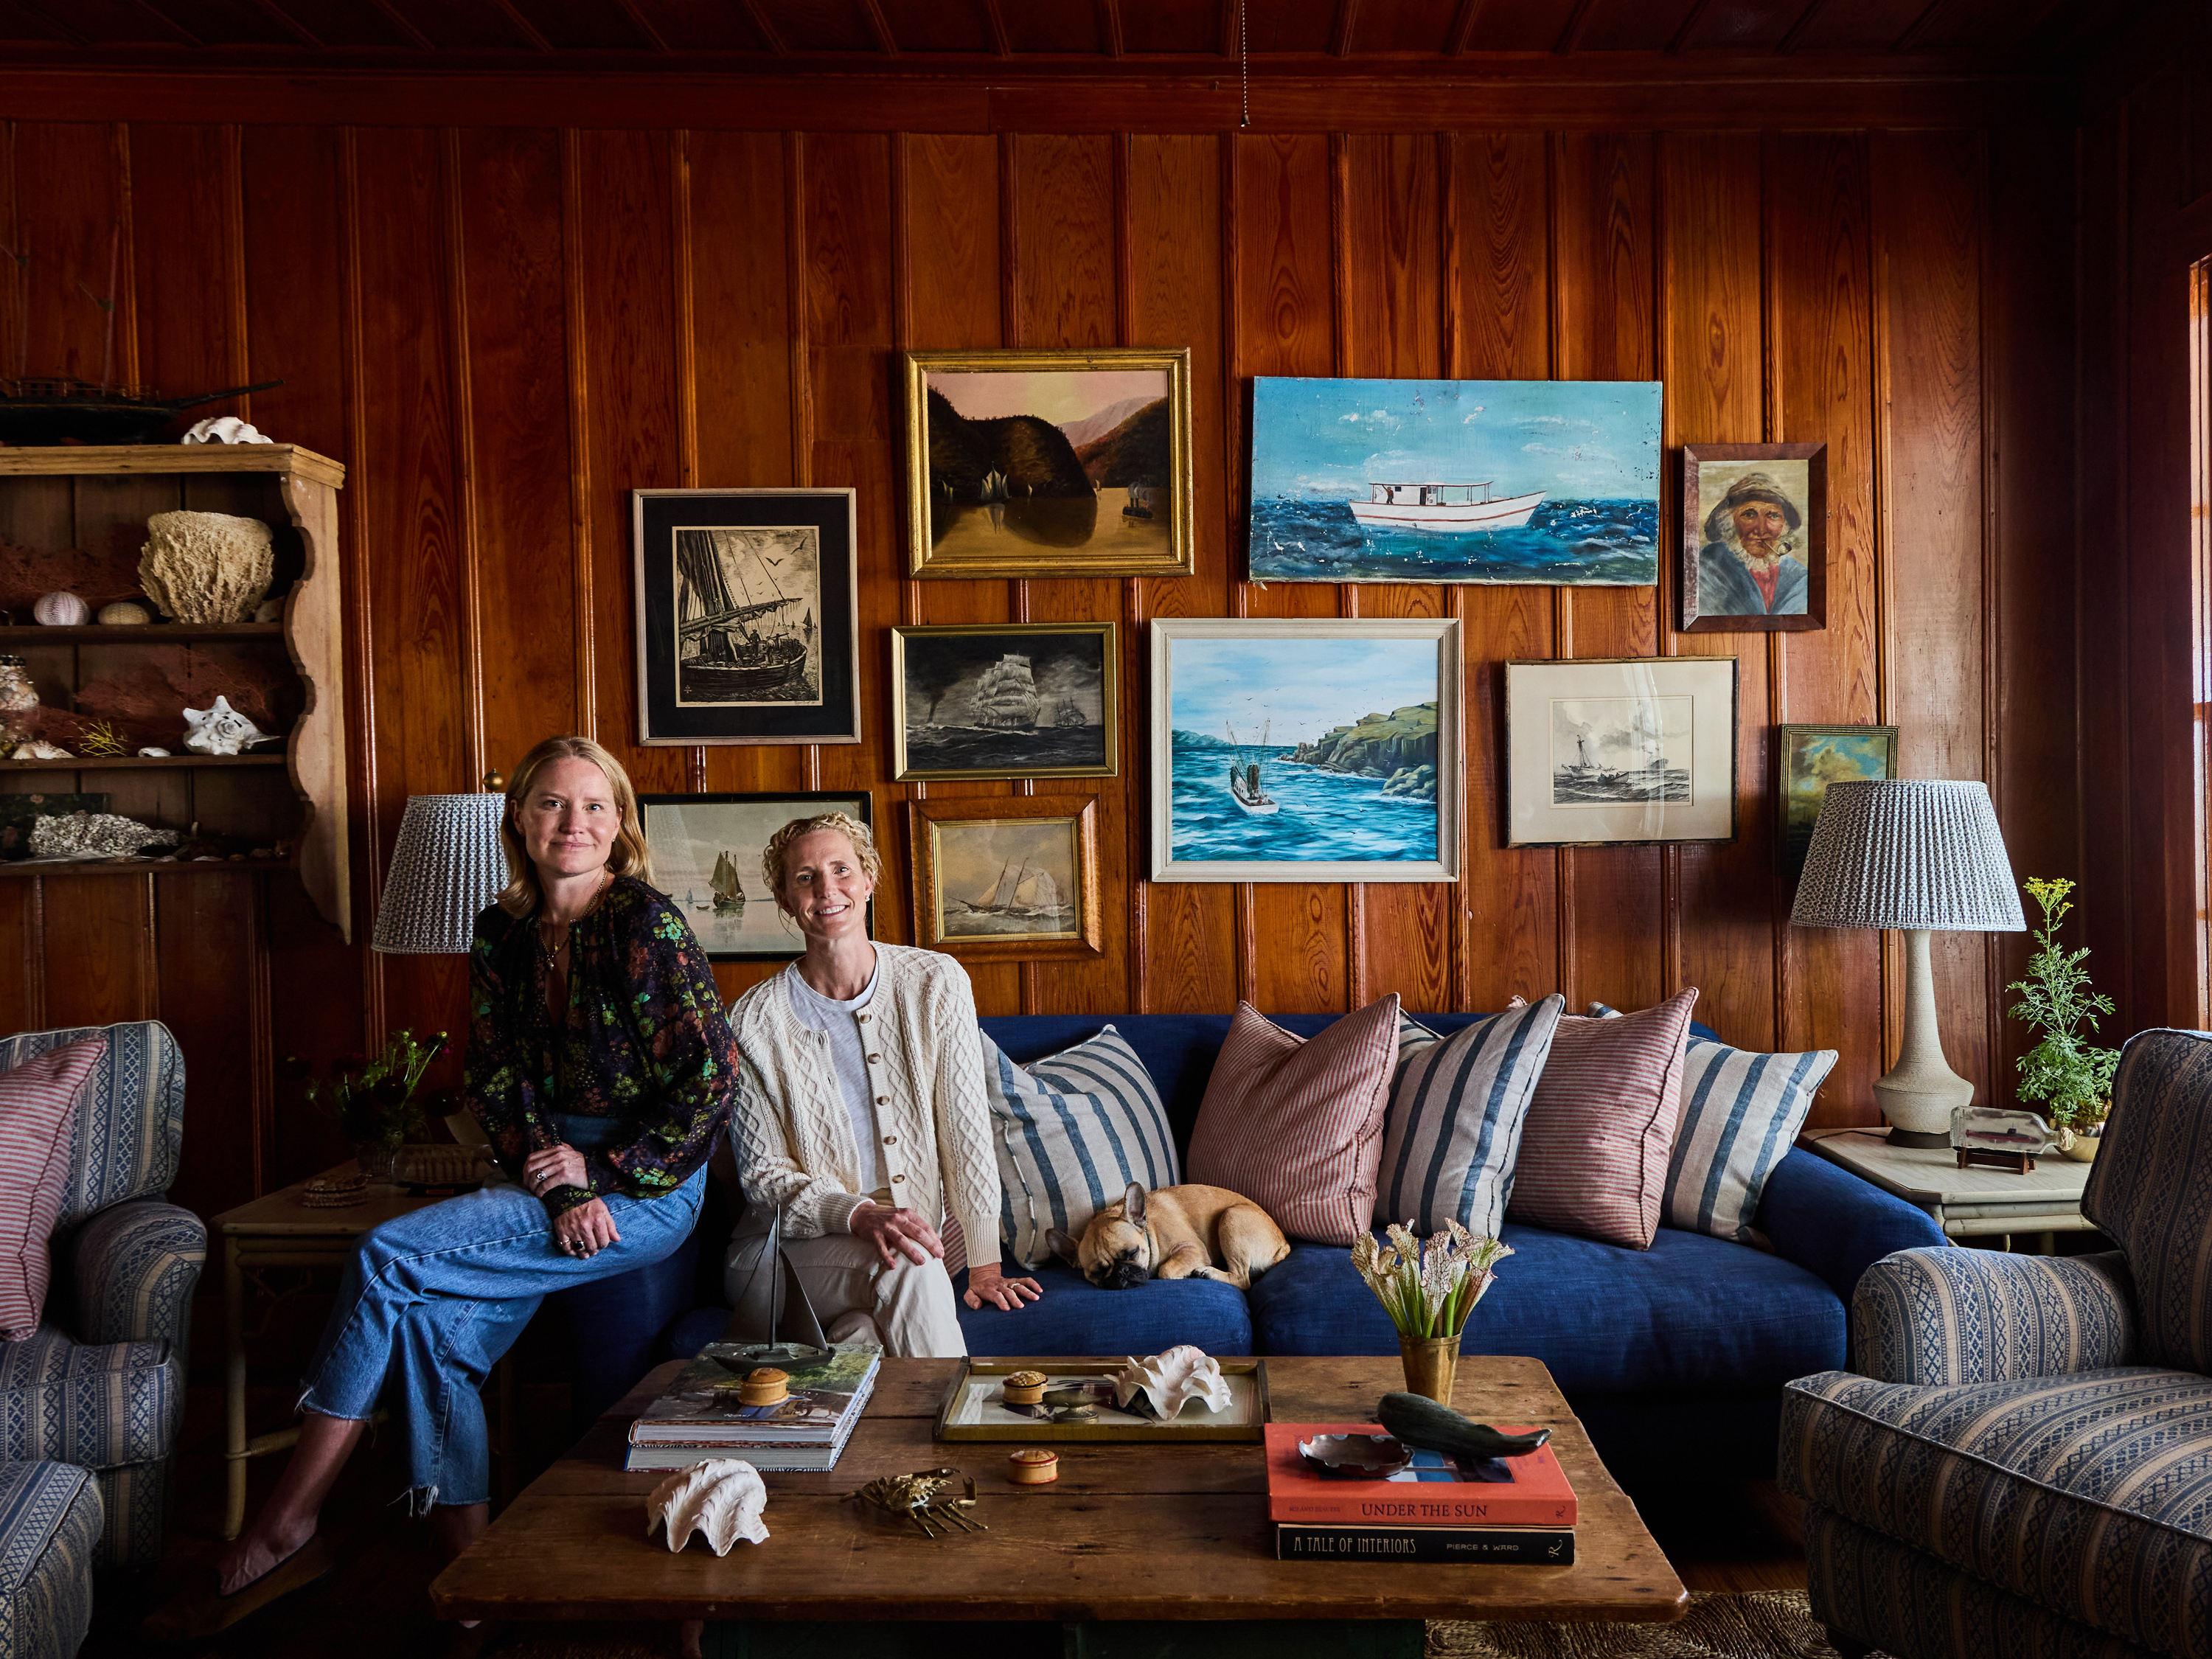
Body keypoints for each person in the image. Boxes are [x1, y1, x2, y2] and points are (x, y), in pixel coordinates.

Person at [153, 736, 738, 1644]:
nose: (571, 823)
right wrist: (554, 1181)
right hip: (544, 1173)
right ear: (519, 819)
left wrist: (602, 1175)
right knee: (432, 1333)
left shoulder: (645, 924)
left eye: (592, 806)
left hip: (649, 1184)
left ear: (621, 825)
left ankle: (287, 1517)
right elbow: (496, 1081)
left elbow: (710, 1083)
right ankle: (470, 1573)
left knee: (388, 1254)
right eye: (551, 803)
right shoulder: (499, 931)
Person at [724, 812, 1040, 1357]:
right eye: (804, 877)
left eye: (841, 869)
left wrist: (985, 1264)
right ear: (783, 897)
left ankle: (850, 1358)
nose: (826, 888)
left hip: (900, 1243)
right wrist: (857, 1213)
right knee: (913, 1267)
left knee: (863, 1335)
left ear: (868, 880)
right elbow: (764, 1179)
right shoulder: (752, 1021)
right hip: (781, 1254)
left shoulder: (936, 983)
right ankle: (960, 1431)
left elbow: (965, 1131)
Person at [1696, 470, 1809, 617]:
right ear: (1730, 523)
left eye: (1773, 516)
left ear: (1785, 525)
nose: (1761, 530)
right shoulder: (1704, 568)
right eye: (1749, 515)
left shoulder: (1799, 578)